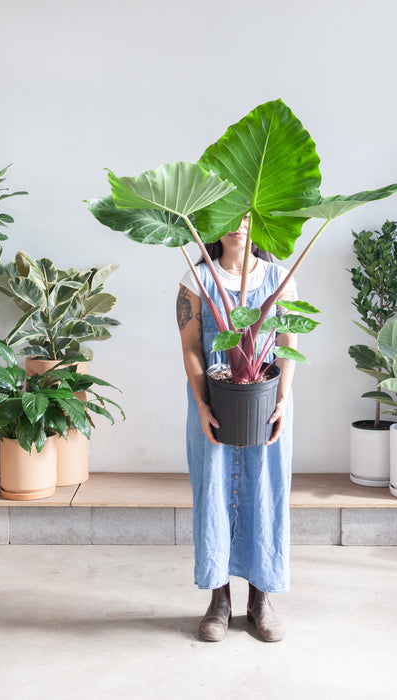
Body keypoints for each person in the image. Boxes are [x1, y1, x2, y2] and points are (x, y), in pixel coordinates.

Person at [177, 214, 298, 643]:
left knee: (265, 491)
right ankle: (219, 600)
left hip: (266, 405)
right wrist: (201, 403)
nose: (237, 225)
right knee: (213, 493)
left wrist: (282, 399)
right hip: (213, 406)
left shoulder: (280, 277)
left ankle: (261, 600)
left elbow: (288, 345)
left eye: (246, 216)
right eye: (227, 217)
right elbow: (191, 348)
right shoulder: (196, 280)